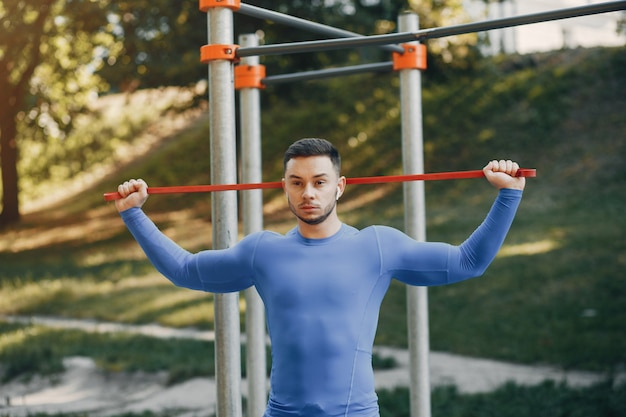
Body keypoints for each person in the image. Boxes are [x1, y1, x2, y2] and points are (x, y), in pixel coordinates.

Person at [115, 138, 525, 417]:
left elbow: (468, 261)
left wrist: (509, 194)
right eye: (297, 183)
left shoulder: (377, 247)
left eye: (319, 182)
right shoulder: (263, 251)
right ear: (284, 188)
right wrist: (133, 213)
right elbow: (186, 270)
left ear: (339, 187)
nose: (308, 193)